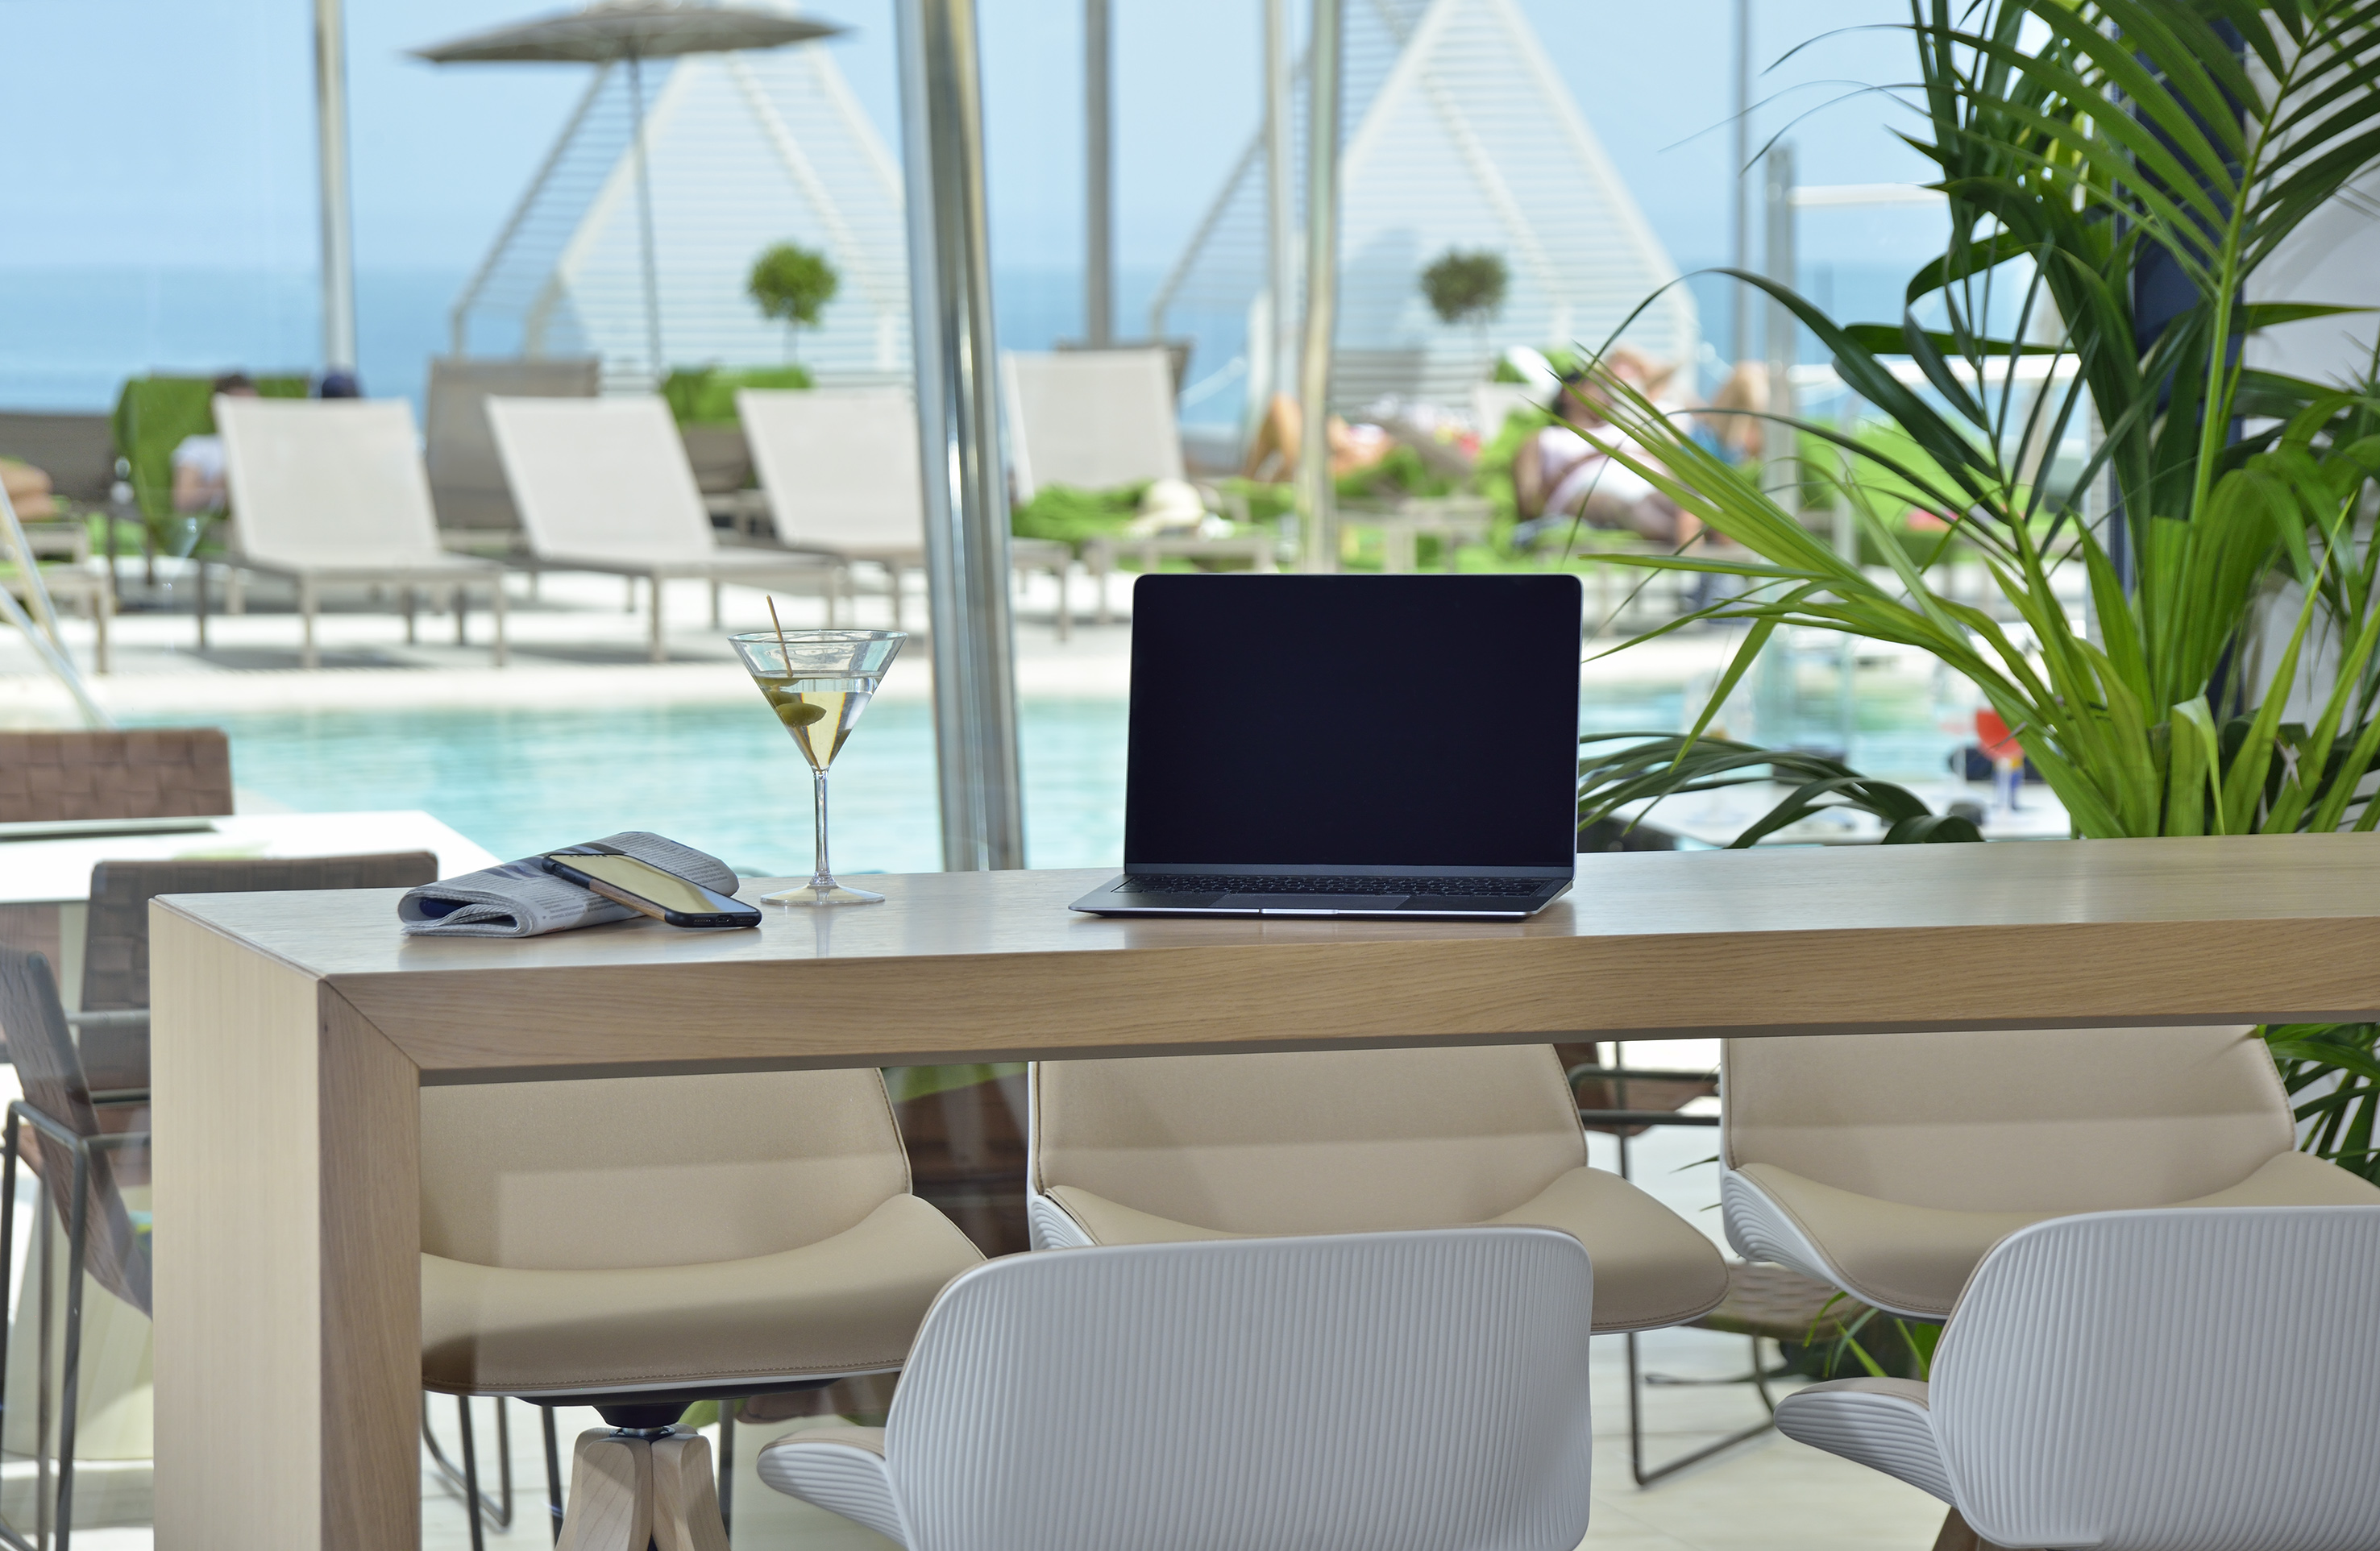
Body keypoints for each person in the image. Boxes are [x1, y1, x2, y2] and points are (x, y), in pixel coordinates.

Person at [1509, 348, 1698, 551]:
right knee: (1623, 506)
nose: (1609, 395)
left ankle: (1694, 531)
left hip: (1650, 487)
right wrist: (1580, 463)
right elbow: (1528, 505)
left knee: (1678, 502)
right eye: (1599, 387)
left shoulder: (1625, 431)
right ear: (1568, 392)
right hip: (1583, 494)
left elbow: (1664, 469)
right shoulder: (1545, 438)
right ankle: (1692, 543)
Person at [170, 372, 259, 514]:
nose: (246, 414)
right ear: (216, 410)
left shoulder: (270, 447)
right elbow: (183, 501)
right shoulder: (198, 446)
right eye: (238, 407)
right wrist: (223, 483)